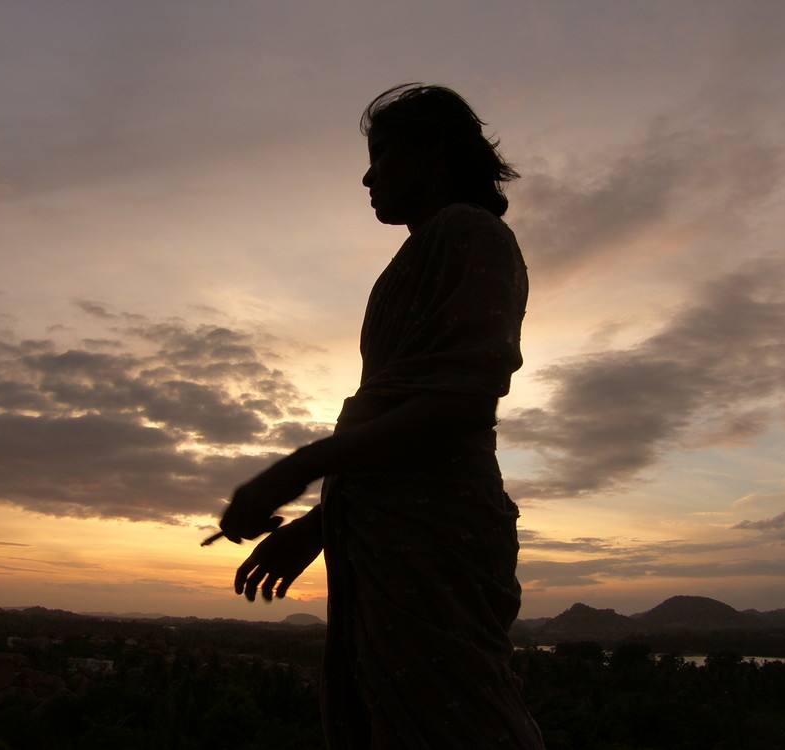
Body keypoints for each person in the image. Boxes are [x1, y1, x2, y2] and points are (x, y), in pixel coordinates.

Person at [219, 83, 545, 749]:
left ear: (433, 151)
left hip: (434, 529)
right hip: (386, 528)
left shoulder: (471, 234)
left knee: (457, 720)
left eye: (384, 152)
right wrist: (320, 524)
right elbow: (403, 413)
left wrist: (297, 470)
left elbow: (460, 401)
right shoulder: (429, 247)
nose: (368, 175)